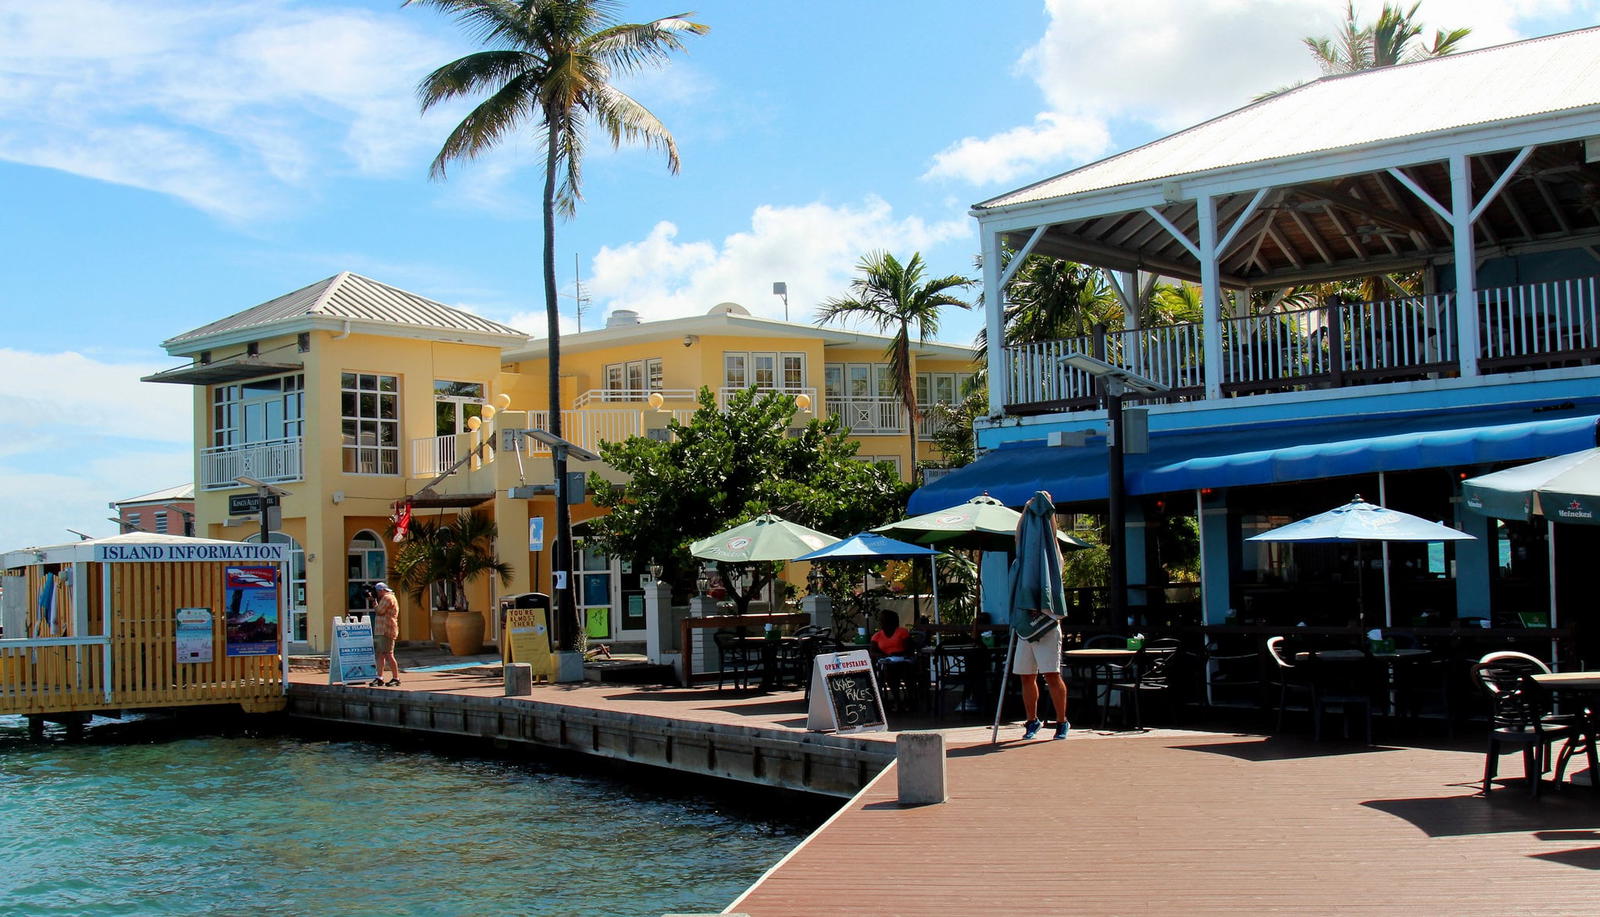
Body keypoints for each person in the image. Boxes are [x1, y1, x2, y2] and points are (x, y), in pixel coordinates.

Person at [1013, 616, 1068, 740]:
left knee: (1051, 675)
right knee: (1026, 675)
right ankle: (1032, 721)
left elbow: (1059, 608)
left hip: (1047, 626)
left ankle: (1062, 722)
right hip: (1025, 630)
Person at [868, 609, 917, 710]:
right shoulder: (877, 636)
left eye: (883, 619)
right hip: (889, 662)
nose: (881, 622)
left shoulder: (902, 632)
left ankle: (910, 699)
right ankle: (896, 699)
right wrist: (884, 656)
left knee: (906, 671)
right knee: (889, 672)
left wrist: (900, 654)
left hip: (904, 660)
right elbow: (872, 652)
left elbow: (909, 648)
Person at [369, 582, 402, 687]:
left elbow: (380, 611)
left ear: (382, 590)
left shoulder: (388, 598)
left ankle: (396, 678)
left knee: (388, 654)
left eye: (378, 591)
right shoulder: (385, 598)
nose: (377, 593)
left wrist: (374, 602)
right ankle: (379, 677)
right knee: (380, 654)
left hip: (387, 630)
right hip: (381, 630)